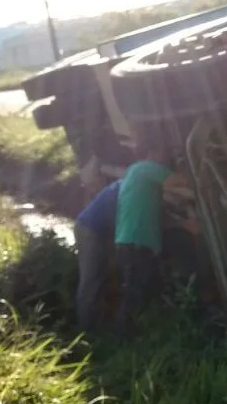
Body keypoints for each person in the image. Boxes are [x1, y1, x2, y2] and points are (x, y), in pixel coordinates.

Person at [111, 143, 185, 337]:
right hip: (136, 243)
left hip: (129, 242)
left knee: (143, 291)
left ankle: (142, 337)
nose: (164, 158)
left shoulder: (133, 173)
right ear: (152, 152)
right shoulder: (146, 167)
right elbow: (178, 180)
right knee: (134, 296)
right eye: (162, 152)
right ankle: (124, 340)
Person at [74, 176, 121, 331]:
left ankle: (97, 322)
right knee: (90, 278)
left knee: (100, 275)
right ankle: (86, 329)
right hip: (89, 229)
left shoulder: (124, 184)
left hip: (96, 229)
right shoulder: (129, 191)